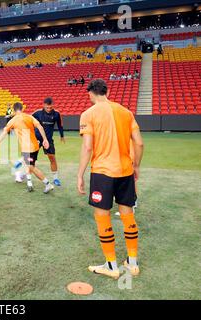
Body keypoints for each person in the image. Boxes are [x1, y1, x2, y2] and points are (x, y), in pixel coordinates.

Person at [78, 79, 144, 279]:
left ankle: (111, 266)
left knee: (102, 217)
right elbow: (139, 144)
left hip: (102, 173)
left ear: (91, 93)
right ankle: (132, 263)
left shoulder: (88, 114)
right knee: (127, 216)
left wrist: (80, 174)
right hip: (125, 171)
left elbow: (88, 147)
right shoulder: (126, 112)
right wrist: (136, 166)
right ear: (106, 91)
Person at [0, 102, 54, 193]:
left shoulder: (13, 120)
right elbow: (40, 127)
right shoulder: (29, 117)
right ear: (22, 109)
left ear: (14, 110)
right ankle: (29, 183)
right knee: (28, 165)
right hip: (35, 146)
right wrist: (45, 139)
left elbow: (4, 132)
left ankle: (48, 184)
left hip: (27, 148)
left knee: (32, 167)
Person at [32, 97, 65, 186]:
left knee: (52, 158)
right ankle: (24, 174)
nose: (49, 109)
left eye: (50, 107)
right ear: (44, 105)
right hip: (37, 139)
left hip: (49, 140)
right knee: (31, 160)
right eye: (47, 107)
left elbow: (60, 125)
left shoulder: (56, 114)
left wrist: (62, 136)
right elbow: (28, 120)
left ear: (52, 106)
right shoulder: (37, 113)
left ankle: (56, 179)